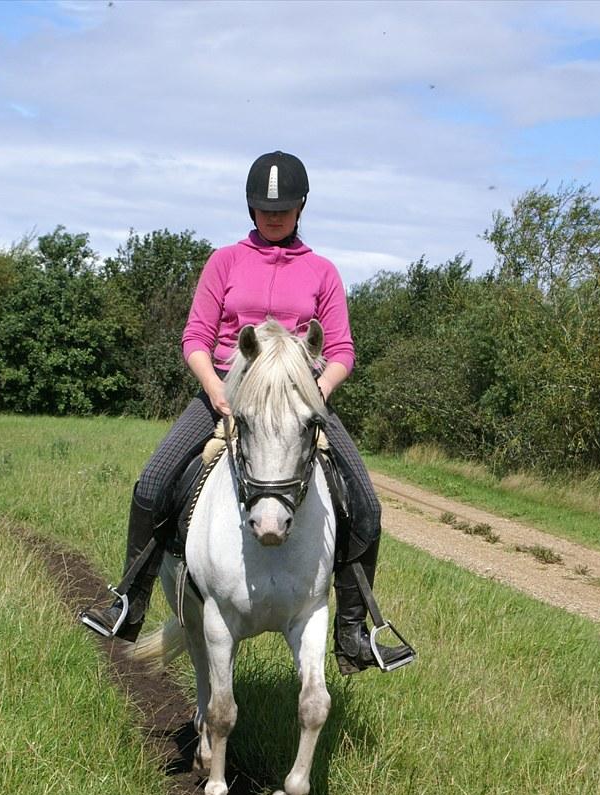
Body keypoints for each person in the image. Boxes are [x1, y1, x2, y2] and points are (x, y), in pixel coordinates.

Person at [81, 151, 403, 674]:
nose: (272, 216)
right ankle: (128, 603)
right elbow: (196, 338)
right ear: (250, 208)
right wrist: (216, 390)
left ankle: (353, 631)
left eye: (282, 208)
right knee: (152, 482)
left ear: (301, 207)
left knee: (365, 502)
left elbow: (341, 349)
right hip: (227, 394)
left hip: (295, 401)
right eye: (262, 207)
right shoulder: (224, 262)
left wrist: (311, 388)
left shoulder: (322, 271)